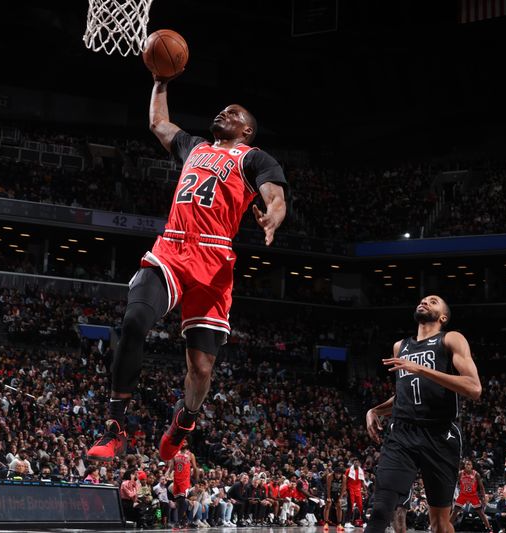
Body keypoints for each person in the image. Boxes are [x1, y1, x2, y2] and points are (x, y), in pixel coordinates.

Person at [87, 69, 287, 464]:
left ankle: (185, 419)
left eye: (232, 113)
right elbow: (158, 123)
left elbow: (274, 194)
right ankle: (114, 425)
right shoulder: (194, 146)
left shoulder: (254, 157)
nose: (223, 114)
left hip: (214, 262)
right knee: (133, 322)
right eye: (222, 110)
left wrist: (273, 216)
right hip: (173, 247)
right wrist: (160, 82)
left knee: (200, 368)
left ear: (246, 130)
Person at [364, 295, 482, 533]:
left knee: (438, 522)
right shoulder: (401, 346)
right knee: (379, 510)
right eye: (423, 299)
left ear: (443, 317)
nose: (425, 301)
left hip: (440, 434)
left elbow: (474, 388)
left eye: (433, 301)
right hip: (402, 433)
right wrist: (375, 410)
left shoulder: (451, 338)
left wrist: (422, 369)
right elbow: (404, 394)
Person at [450, 459, 491, 531]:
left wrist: (483, 498)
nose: (468, 466)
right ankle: (447, 527)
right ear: (464, 465)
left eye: (469, 464)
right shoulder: (460, 473)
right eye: (466, 464)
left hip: (473, 495)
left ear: (472, 466)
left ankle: (489, 529)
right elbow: (455, 483)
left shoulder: (476, 474)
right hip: (463, 494)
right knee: (455, 511)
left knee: (481, 513)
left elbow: (481, 487)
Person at [166, 442, 197, 528]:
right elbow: (171, 467)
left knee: (182, 500)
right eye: (182, 441)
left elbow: (194, 467)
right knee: (179, 502)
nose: (184, 443)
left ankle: (178, 522)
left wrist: (195, 480)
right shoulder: (175, 454)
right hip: (176, 480)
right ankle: (185, 520)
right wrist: (167, 474)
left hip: (185, 481)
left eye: (186, 442)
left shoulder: (191, 455)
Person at [344, 459, 366, 528]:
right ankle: (347, 522)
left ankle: (364, 522)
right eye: (355, 462)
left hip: (358, 490)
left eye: (357, 462)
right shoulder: (348, 470)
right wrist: (344, 490)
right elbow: (345, 480)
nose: (356, 463)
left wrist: (365, 490)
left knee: (360, 506)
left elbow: (362, 481)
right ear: (353, 463)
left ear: (359, 463)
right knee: (350, 506)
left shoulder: (361, 471)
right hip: (350, 489)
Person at [325, 466, 345, 530]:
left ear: (341, 474)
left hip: (337, 492)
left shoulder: (344, 477)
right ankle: (326, 522)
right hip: (329, 492)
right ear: (334, 473)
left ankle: (339, 523)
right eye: (337, 473)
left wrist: (340, 497)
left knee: (339, 506)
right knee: (328, 505)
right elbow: (328, 487)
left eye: (339, 474)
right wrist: (328, 497)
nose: (338, 475)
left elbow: (343, 488)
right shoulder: (330, 476)